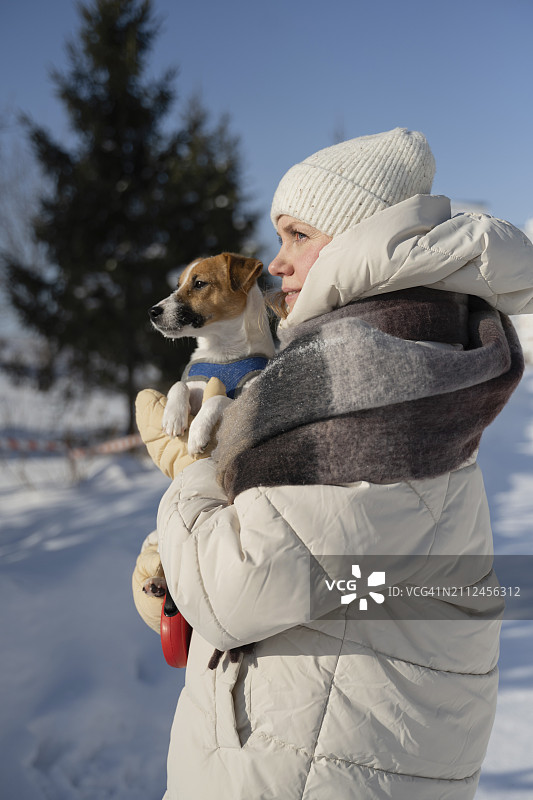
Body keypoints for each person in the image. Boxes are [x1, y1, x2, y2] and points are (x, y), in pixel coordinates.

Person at [133, 127, 533, 800]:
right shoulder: (407, 343)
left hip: (311, 765)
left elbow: (239, 589)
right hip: (316, 744)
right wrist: (177, 571)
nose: (276, 262)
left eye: (296, 235)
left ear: (355, 236)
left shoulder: (367, 368)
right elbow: (349, 585)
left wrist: (190, 475)